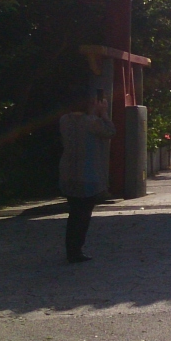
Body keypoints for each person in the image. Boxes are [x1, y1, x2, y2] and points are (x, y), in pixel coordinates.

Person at [59, 92, 115, 262]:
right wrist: (103, 113)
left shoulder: (64, 120)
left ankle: (71, 249)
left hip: (68, 172)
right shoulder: (92, 122)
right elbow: (110, 131)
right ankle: (76, 250)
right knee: (83, 214)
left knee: (74, 212)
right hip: (88, 174)